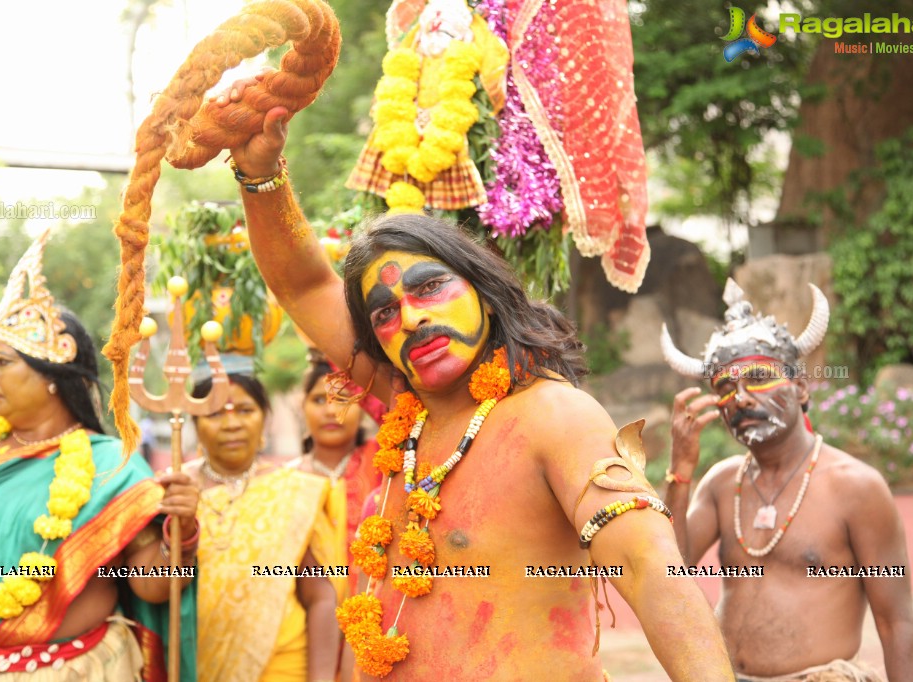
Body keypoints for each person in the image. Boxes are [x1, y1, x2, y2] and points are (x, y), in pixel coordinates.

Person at [216, 88, 734, 680]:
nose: (409, 317)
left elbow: (649, 568)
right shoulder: (403, 410)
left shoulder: (555, 417)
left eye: (430, 287)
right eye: (384, 312)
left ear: (485, 294)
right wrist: (259, 174)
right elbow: (306, 285)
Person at [0, 229, 198, 680]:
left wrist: (184, 533)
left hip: (72, 671)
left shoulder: (110, 467)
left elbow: (152, 587)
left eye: (3, 362)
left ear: (50, 374)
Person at [660, 279, 913, 682]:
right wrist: (680, 473)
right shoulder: (721, 483)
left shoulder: (855, 487)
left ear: (801, 387)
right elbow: (671, 578)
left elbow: (897, 624)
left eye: (759, 379)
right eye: (725, 388)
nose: (743, 398)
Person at [187, 371, 341, 682]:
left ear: (265, 420)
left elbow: (321, 596)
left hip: (281, 665)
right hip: (196, 665)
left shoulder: (294, 491)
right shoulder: (174, 492)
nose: (232, 424)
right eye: (215, 413)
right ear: (194, 424)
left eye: (245, 410)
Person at [289, 360, 382, 558]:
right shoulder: (285, 481)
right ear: (302, 406)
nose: (331, 411)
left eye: (343, 399)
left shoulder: (386, 463)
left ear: (363, 407)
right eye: (319, 400)